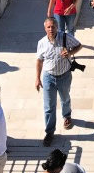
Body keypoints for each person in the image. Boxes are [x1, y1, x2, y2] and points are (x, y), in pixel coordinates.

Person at [35, 17, 82, 145]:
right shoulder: (42, 43)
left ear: (57, 27)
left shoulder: (65, 37)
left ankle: (66, 115)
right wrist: (37, 78)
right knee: (49, 106)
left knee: (65, 98)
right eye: (48, 27)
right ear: (45, 28)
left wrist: (70, 52)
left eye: (53, 26)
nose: (51, 29)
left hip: (64, 75)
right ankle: (49, 132)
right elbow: (39, 60)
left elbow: (79, 45)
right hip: (48, 77)